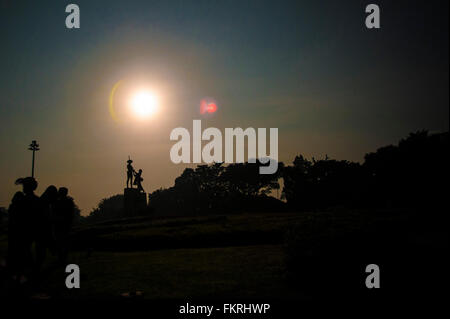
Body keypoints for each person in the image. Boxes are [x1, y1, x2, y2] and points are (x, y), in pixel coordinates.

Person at [53, 187, 75, 264]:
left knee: (60, 241)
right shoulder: (69, 202)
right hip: (64, 225)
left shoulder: (57, 202)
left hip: (61, 225)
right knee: (63, 242)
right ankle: (63, 257)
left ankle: (61, 257)